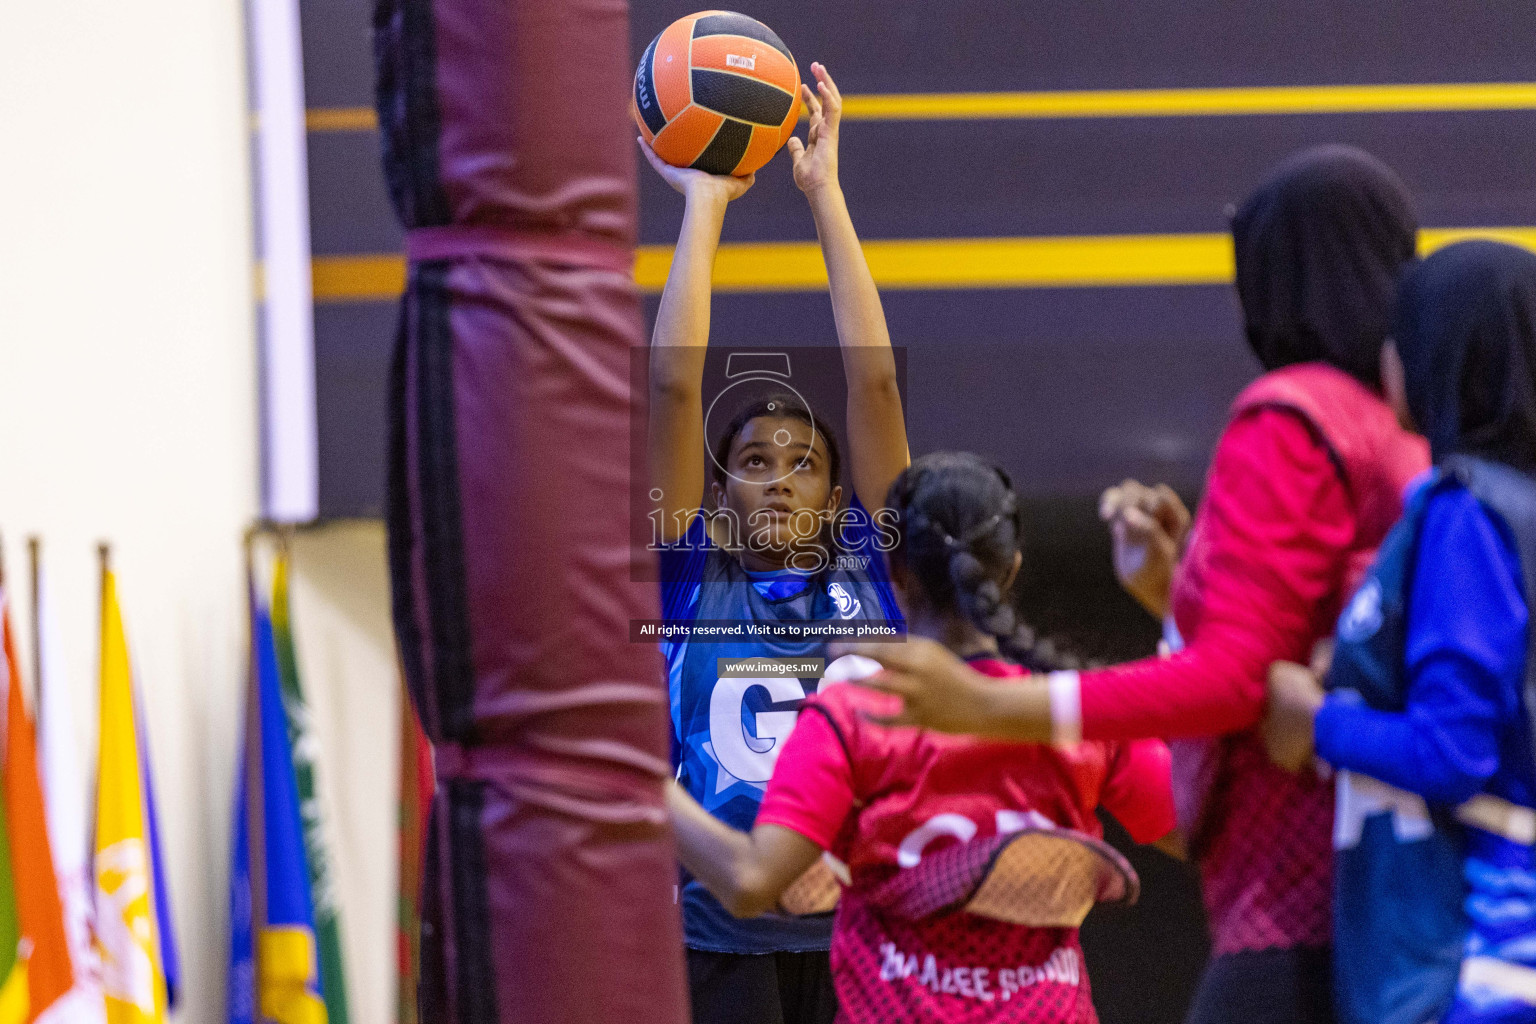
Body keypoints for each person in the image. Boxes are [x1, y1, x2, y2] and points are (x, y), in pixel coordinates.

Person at [834, 146, 1431, 1024]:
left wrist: (996, 709)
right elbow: (1296, 645)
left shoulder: (1291, 412)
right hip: (1391, 874)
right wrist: (1181, 589)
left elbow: (1235, 681)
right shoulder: (1404, 437)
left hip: (1297, 891)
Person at [668, 452, 1177, 1022]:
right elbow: (1195, 833)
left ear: (896, 573)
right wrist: (1172, 605)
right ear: (1010, 568)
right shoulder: (1079, 718)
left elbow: (748, 882)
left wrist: (639, 780)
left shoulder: (853, 718)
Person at [643, 64, 909, 1024]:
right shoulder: (689, 574)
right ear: (719, 496)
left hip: (864, 938)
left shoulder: (873, 565)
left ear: (840, 494)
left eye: (803, 461)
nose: (781, 475)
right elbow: (675, 389)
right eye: (754, 460)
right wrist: (705, 206)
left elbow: (873, 388)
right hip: (719, 940)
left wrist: (824, 195)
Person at [1264, 240, 1536, 1024]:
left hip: (1481, 964)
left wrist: (1318, 724)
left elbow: (1454, 753)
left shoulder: (1466, 514)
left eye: (1402, 332)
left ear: (1438, 354)